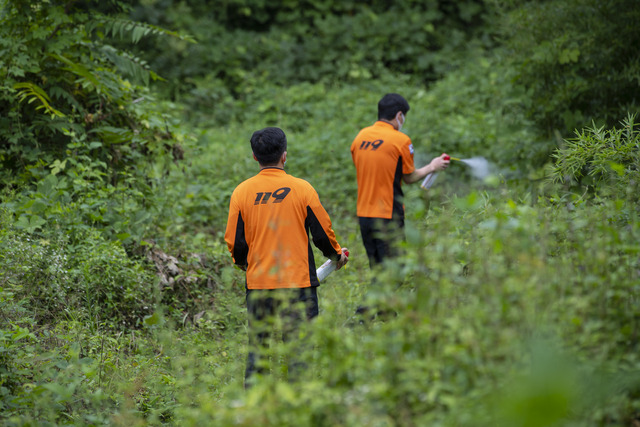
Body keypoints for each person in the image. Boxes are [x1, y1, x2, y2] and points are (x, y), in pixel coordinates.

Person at [225, 126, 348, 387]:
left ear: (254, 157)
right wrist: (336, 256)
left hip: (259, 285)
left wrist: (244, 265)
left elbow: (236, 244)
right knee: (299, 353)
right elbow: (322, 234)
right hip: (298, 286)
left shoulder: (241, 192)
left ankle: (255, 413)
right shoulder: (302, 189)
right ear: (284, 155)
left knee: (257, 352)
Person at [350, 93, 450, 269]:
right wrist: (432, 167)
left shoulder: (360, 138)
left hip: (364, 215)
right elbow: (409, 177)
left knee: (377, 270)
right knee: (394, 273)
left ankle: (377, 297)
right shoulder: (400, 140)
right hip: (388, 215)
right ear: (398, 115)